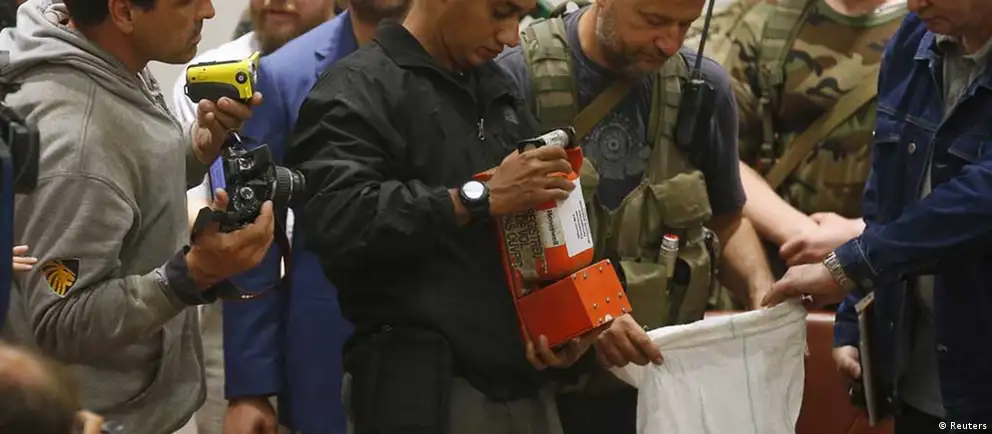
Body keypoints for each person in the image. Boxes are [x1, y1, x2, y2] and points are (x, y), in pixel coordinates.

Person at [283, 0, 619, 431]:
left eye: (520, 17)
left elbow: (524, 235)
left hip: (526, 386)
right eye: (500, 11)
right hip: (424, 393)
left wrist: (566, 326)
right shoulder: (357, 88)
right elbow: (339, 219)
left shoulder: (496, 86)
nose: (511, 37)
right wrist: (476, 199)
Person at [496, 0, 771, 432]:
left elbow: (727, 221)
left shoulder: (703, 88)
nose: (670, 43)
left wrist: (762, 293)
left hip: (660, 390)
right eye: (654, 21)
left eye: (686, 25)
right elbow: (486, 238)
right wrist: (589, 313)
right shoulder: (514, 77)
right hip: (542, 393)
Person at [0, 1, 274, 433]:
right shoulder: (79, 142)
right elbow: (59, 321)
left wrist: (196, 148)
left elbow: (125, 182)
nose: (207, 10)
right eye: (187, 1)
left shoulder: (97, 54)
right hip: (102, 418)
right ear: (125, 13)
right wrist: (192, 274)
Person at [762, 0, 992, 429]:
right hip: (920, 373)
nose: (916, 3)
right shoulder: (914, 39)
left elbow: (977, 201)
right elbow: (887, 196)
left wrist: (848, 267)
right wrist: (856, 313)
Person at [220, 2, 409, 434]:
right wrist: (250, 389)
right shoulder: (284, 74)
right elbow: (254, 228)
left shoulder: (465, 58)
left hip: (446, 342)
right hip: (327, 342)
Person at [170, 2, 337, 433]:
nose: (276, 1)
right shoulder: (207, 76)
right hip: (232, 307)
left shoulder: (361, 65)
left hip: (328, 309)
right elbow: (186, 202)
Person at [683, 0, 908, 310]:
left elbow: (953, 176)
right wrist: (802, 233)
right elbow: (717, 157)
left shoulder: (932, 27)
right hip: (778, 272)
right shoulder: (767, 22)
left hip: (894, 277)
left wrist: (860, 237)